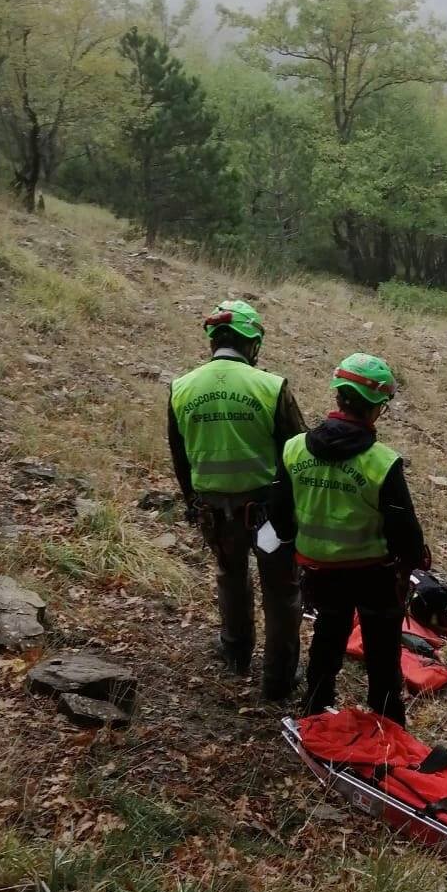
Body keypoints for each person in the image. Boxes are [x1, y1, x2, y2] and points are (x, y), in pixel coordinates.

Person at [269, 353, 428, 726]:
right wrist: (411, 561)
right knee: (382, 650)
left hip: (320, 570)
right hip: (373, 573)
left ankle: (316, 707)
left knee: (327, 634)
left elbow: (277, 513)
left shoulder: (294, 448)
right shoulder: (381, 462)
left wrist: (301, 546)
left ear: (339, 396)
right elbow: (405, 531)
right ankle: (388, 722)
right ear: (376, 408)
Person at [168, 299, 305, 699]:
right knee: (281, 591)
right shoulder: (271, 386)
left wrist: (193, 501)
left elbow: (180, 454)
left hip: (212, 508)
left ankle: (235, 651)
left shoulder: (181, 387)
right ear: (253, 343)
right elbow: (295, 451)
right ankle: (278, 678)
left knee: (231, 575)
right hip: (267, 512)